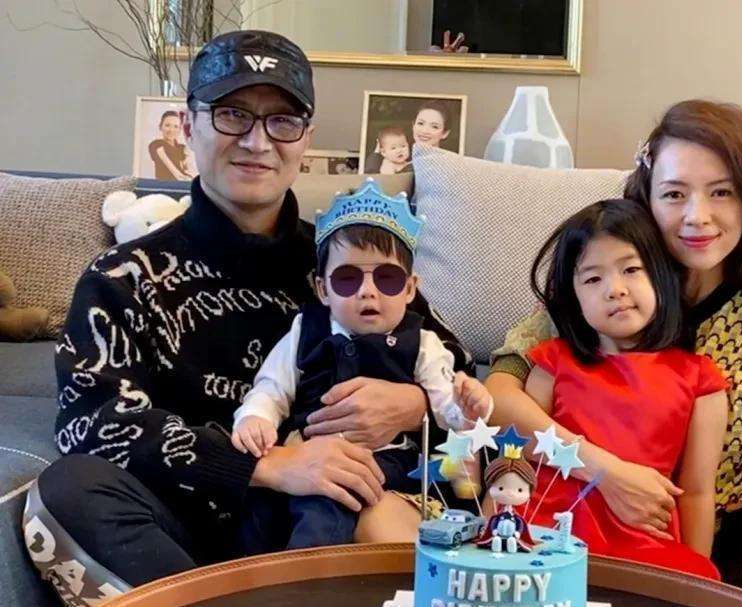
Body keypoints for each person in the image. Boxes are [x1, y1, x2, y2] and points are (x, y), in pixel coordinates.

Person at [23, 30, 467, 607]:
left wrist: (417, 403)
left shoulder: (349, 261)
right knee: (66, 491)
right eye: (232, 114)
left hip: (335, 521)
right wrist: (270, 465)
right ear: (189, 126)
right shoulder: (122, 277)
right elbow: (91, 422)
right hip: (189, 536)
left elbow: (458, 371)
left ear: (305, 138)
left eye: (282, 121)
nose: (258, 142)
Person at [485, 100, 742, 606]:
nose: (697, 216)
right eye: (674, 194)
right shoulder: (602, 289)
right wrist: (604, 471)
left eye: (722, 192)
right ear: (647, 197)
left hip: (689, 558)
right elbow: (499, 396)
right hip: (551, 537)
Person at [231, 185, 492, 549]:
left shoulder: (423, 343)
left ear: (410, 289)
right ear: (323, 289)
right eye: (347, 279)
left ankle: (311, 575)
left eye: (387, 278)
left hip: (388, 462)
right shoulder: (307, 330)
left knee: (328, 504)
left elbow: (444, 407)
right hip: (309, 456)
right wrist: (255, 418)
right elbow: (273, 387)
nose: (367, 291)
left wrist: (468, 408)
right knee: (259, 513)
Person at [519, 199, 729, 578]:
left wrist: (697, 580)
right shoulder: (553, 361)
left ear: (661, 274)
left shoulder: (700, 378)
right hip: (549, 535)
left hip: (645, 544)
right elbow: (522, 448)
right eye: (592, 279)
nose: (615, 290)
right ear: (573, 298)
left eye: (631, 269)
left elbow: (697, 491)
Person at [148, 110, 195, 181]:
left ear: (180, 129)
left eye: (176, 126)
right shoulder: (156, 145)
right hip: (165, 185)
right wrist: (186, 178)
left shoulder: (182, 148)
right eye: (167, 125)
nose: (171, 130)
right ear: (160, 127)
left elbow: (189, 171)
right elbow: (177, 175)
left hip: (184, 185)